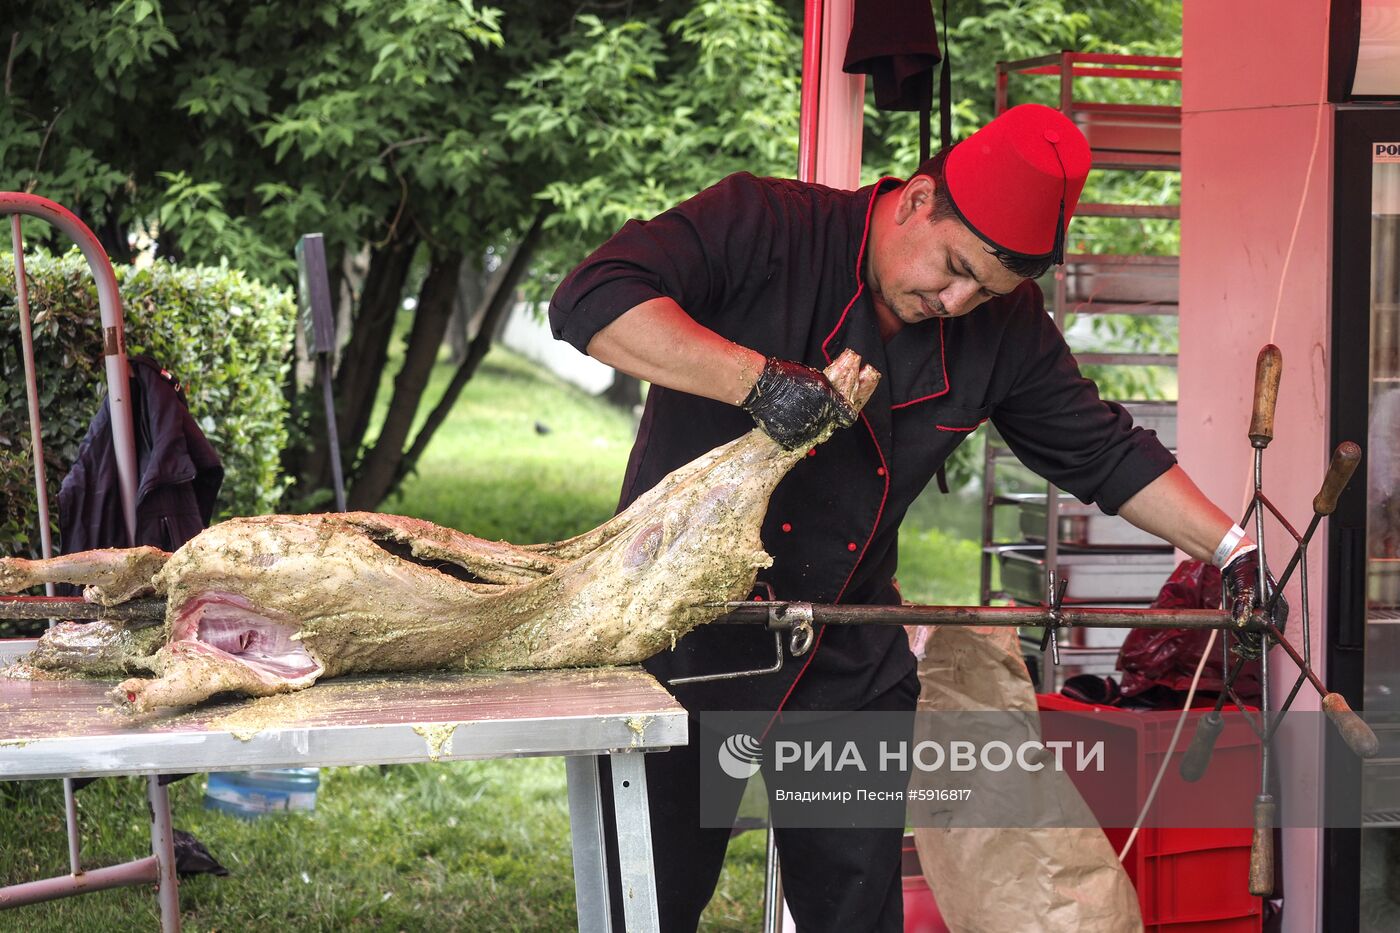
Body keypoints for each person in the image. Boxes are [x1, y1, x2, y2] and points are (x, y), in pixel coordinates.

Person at [548, 103, 1276, 931]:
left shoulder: (1001, 327)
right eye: (955, 267)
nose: (957, 300)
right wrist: (755, 382)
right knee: (651, 897)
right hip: (677, 628)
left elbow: (1102, 450)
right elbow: (592, 298)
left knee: (853, 908)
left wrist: (1232, 548)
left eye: (986, 290)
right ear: (916, 199)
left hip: (843, 649)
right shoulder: (766, 224)